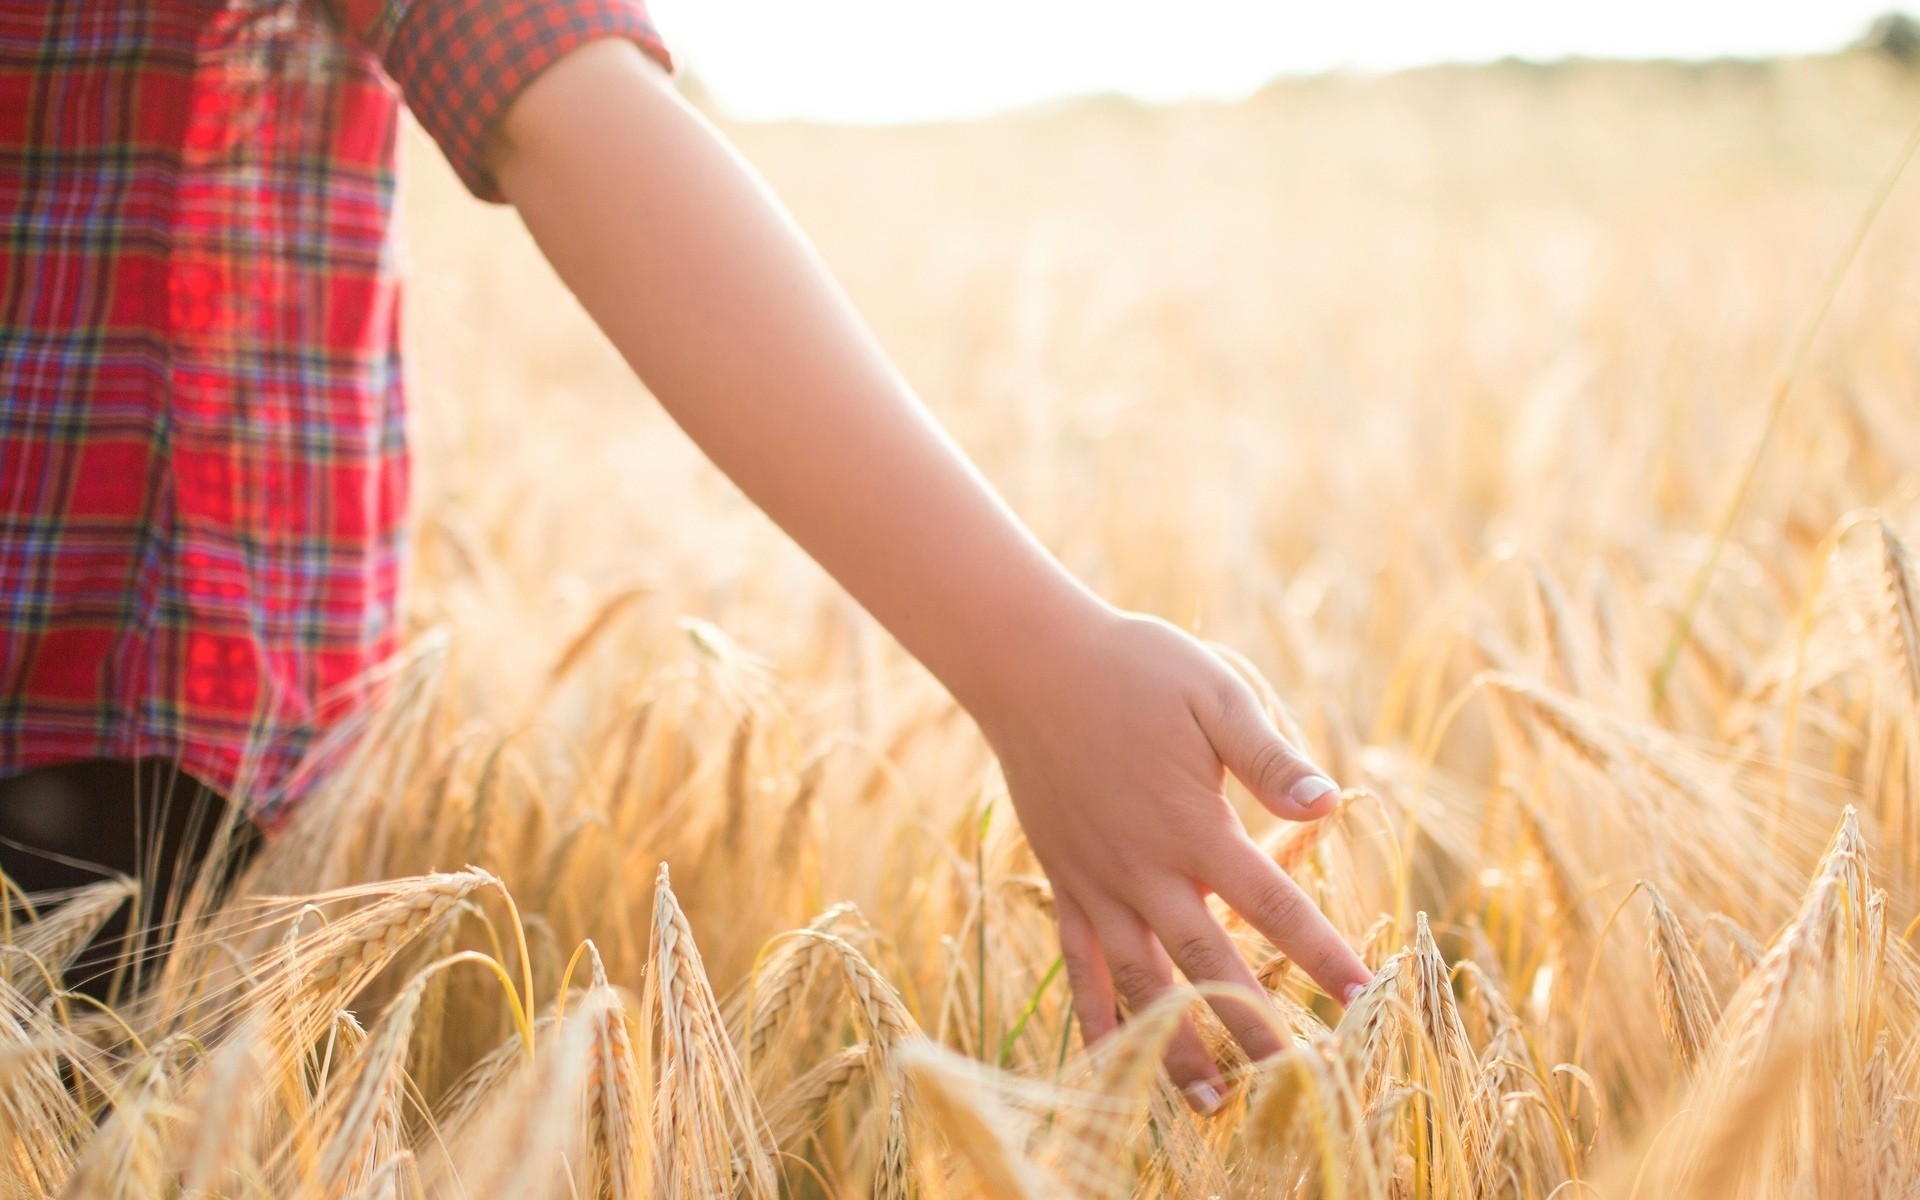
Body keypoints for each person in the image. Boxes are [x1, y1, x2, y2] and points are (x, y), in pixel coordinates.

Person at [0, 1, 1371, 1108]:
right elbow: (550, 86)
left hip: (116, 726)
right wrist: (1038, 657)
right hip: (129, 714)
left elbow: (551, 88)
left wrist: (1043, 659)